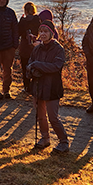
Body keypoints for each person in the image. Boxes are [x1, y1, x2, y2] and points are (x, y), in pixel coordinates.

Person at [27, 19, 69, 153]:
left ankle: (64, 142)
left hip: (52, 87)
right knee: (40, 116)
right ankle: (45, 138)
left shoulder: (58, 49)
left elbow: (56, 67)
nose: (43, 34)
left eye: (46, 31)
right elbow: (29, 65)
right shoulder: (37, 49)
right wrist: (33, 70)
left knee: (53, 117)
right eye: (41, 31)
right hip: (38, 87)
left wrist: (37, 66)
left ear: (52, 33)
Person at [18, 2, 41, 94]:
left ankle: (27, 87)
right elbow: (39, 32)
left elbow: (18, 32)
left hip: (24, 46)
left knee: (25, 68)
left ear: (26, 11)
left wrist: (21, 20)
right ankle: (34, 87)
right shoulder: (37, 20)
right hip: (35, 46)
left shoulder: (23, 21)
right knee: (35, 67)